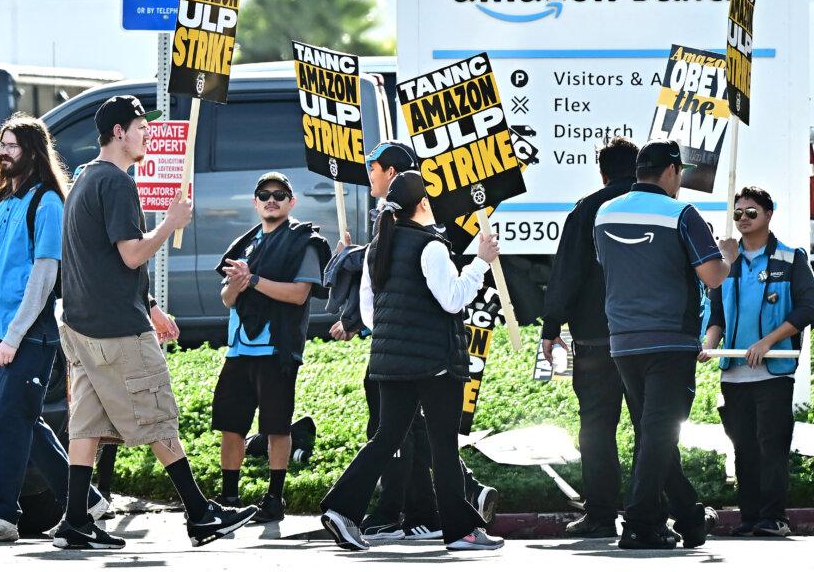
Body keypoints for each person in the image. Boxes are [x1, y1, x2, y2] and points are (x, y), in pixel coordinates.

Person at [57, 95, 257, 549]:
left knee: (86, 425)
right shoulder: (117, 184)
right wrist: (169, 223)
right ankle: (201, 513)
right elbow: (130, 254)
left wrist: (150, 304)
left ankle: (74, 522)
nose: (146, 134)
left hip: (81, 327)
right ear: (119, 133)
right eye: (141, 127)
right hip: (116, 330)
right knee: (158, 414)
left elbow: (99, 259)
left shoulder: (85, 178)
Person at [0, 113, 108, 542]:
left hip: (30, 334)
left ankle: (3, 515)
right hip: (2, 331)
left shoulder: (47, 203)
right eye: (2, 144)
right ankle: (85, 501)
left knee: (13, 423)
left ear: (32, 151)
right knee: (27, 422)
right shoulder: (2, 202)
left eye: (12, 145)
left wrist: (14, 337)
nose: (4, 152)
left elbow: (45, 275)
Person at [320, 171, 504, 553]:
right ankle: (461, 532)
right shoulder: (431, 246)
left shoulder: (377, 246)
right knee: (443, 447)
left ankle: (341, 508)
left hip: (388, 361)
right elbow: (453, 299)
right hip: (435, 361)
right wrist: (481, 262)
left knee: (386, 437)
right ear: (422, 204)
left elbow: (369, 315)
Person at [594, 139, 737, 550]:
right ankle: (639, 522)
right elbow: (712, 276)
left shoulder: (605, 213)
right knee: (659, 433)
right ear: (673, 171)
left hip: (622, 339)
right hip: (670, 339)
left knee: (653, 433)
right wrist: (725, 255)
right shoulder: (682, 213)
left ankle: (690, 517)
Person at [213, 172, 331, 523]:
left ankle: (274, 500)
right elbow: (227, 298)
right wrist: (237, 284)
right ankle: (229, 496)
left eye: (280, 194)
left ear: (291, 202)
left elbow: (298, 295)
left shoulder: (303, 242)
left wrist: (254, 280)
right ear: (255, 202)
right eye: (264, 194)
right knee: (231, 424)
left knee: (277, 426)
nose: (271, 200)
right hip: (239, 349)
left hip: (276, 348)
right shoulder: (246, 243)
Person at [700, 186, 814, 537]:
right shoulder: (726, 263)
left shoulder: (789, 258)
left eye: (751, 212)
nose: (744, 219)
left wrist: (767, 342)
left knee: (772, 446)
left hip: (774, 370)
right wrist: (708, 345)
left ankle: (774, 517)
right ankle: (749, 517)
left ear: (768, 214)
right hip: (733, 372)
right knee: (743, 448)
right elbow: (715, 315)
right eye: (738, 214)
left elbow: (807, 307)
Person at [540, 136, 638, 538]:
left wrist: (551, 329)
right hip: (646, 341)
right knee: (654, 427)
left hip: (596, 343)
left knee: (596, 429)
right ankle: (653, 510)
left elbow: (567, 273)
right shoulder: (660, 209)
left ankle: (600, 514)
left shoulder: (586, 211)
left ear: (602, 172)